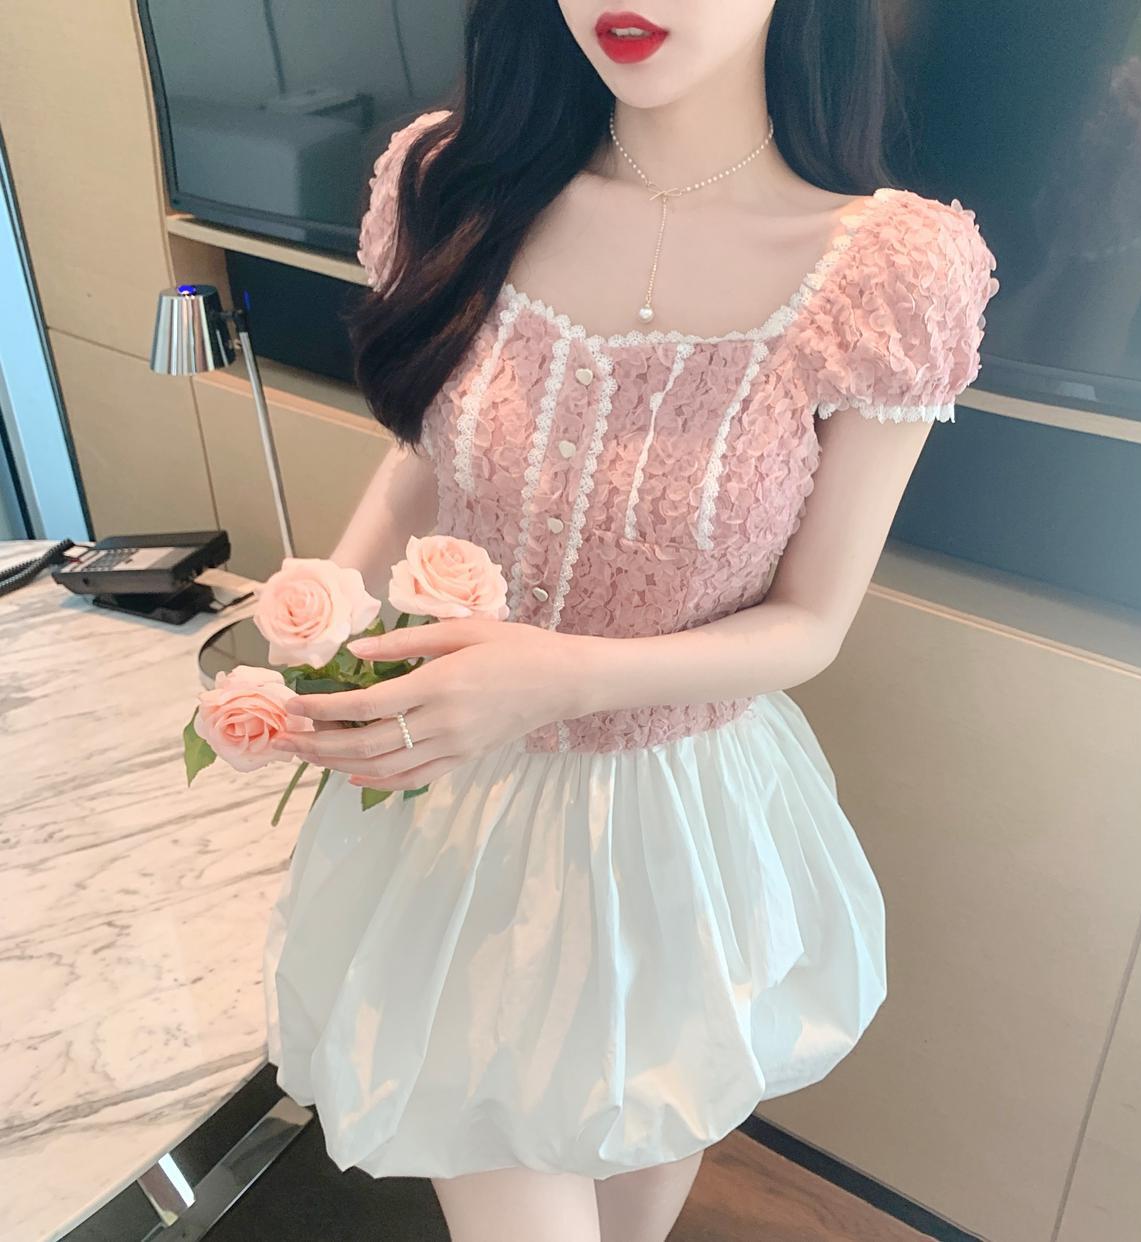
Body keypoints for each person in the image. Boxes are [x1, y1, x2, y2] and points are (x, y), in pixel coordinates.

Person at [261, 2, 999, 1239]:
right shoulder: (453, 183)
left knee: (629, 1208)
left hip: (684, 836)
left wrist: (552, 677)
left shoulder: (888, 271)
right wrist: (320, 616)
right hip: (461, 825)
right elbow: (426, 455)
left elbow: (811, 622)